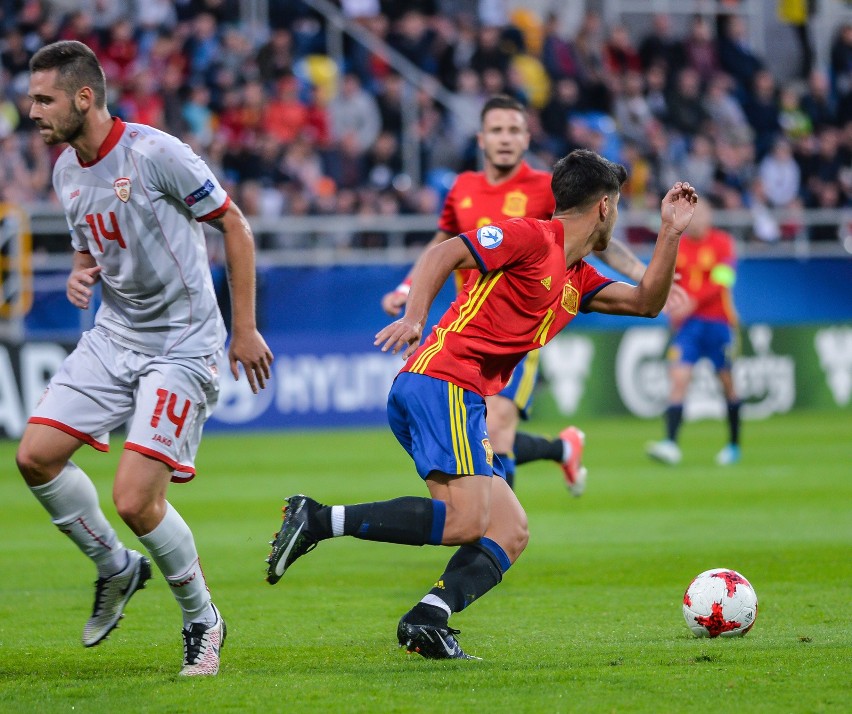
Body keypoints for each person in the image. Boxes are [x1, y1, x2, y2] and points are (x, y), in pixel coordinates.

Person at [266, 149, 698, 659]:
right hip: (442, 379)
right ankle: (316, 519)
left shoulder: (578, 277)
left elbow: (648, 302)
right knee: (467, 521)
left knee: (510, 529)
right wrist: (414, 317)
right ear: (605, 208)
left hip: (457, 393)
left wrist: (671, 232)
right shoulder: (532, 237)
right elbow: (443, 253)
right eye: (619, 206)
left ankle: (428, 617)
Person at [16, 41, 273, 676]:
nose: (31, 111)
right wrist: (82, 273)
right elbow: (91, 243)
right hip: (115, 335)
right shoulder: (66, 170)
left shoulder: (155, 153)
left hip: (183, 343)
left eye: (43, 99)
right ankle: (115, 567)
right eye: (31, 97)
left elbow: (234, 224)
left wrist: (245, 329)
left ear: (85, 98)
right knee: (35, 457)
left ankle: (202, 620)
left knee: (135, 499)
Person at [381, 95, 653, 497]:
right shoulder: (463, 187)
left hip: (525, 323)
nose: (505, 138)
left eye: (513, 130)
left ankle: (491, 530)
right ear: (481, 139)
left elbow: (592, 233)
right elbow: (443, 241)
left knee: (497, 424)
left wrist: (640, 272)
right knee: (487, 430)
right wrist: (407, 289)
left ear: (527, 139)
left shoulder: (547, 187)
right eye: (496, 130)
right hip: (472, 319)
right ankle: (557, 453)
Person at [646, 200, 741, 467]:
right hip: (687, 326)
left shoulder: (722, 243)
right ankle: (670, 444)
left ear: (710, 216)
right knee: (678, 378)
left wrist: (691, 302)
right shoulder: (680, 246)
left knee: (727, 384)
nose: (696, 220)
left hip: (718, 322)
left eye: (701, 214)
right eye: (693, 215)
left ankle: (733, 445)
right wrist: (665, 302)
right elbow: (668, 280)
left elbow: (723, 281)